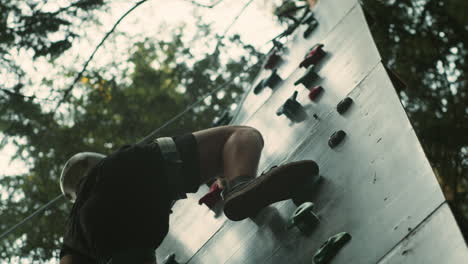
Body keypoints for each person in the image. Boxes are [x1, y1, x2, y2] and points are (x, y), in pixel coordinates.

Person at [59, 125, 318, 264]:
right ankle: (240, 184)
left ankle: (235, 184)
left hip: (107, 240)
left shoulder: (74, 223)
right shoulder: (114, 165)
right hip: (146, 177)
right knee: (239, 135)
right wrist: (227, 174)